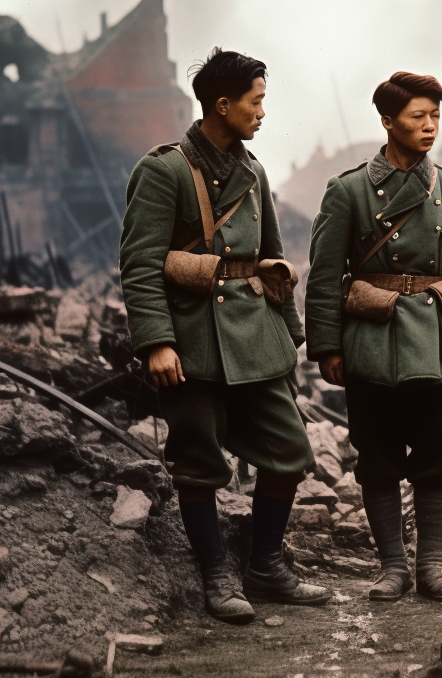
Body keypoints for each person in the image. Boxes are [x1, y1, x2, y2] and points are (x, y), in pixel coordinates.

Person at [119, 49, 328, 624]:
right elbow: (139, 264)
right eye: (256, 102)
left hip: (255, 334)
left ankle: (264, 565)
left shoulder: (255, 171)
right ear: (222, 105)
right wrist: (156, 341)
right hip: (192, 341)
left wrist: (290, 340)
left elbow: (274, 261)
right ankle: (216, 574)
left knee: (289, 454)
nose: (262, 113)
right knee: (198, 463)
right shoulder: (163, 170)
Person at [304, 71, 442, 602]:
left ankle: (432, 566)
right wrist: (325, 346)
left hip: (439, 340)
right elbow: (323, 276)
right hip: (373, 340)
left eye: (436, 116)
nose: (430, 126)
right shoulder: (348, 190)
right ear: (388, 122)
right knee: (379, 456)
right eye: (419, 116)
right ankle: (392, 567)